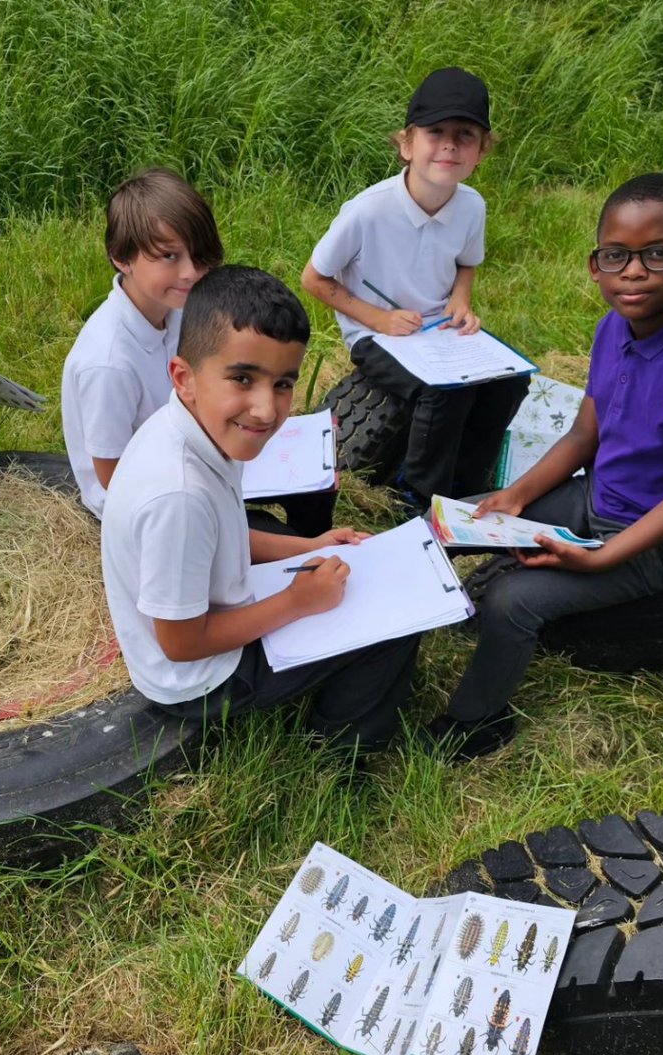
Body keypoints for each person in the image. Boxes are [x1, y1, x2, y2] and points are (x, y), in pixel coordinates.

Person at [430, 172, 663, 759]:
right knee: (452, 525)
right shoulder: (614, 326)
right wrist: (514, 496)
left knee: (513, 603)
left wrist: (599, 558)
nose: (633, 272)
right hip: (597, 496)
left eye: (658, 253)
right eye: (616, 256)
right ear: (594, 265)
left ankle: (476, 723)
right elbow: (585, 434)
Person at [101, 265, 421, 753]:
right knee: (394, 629)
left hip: (207, 623)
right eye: (243, 378)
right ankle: (338, 755)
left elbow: (226, 533)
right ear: (184, 377)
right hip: (200, 681)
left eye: (283, 384)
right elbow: (181, 643)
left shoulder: (192, 426)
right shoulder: (180, 498)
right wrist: (296, 602)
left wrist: (308, 545)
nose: (266, 410)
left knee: (281, 537)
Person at [302, 66, 528, 512]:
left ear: (482, 150)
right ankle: (419, 496)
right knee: (444, 391)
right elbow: (314, 278)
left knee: (507, 382)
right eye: (435, 131)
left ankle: (465, 486)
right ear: (406, 144)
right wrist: (378, 319)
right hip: (378, 337)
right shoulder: (366, 213)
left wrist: (461, 300)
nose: (449, 144)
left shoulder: (471, 206)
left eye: (465, 134)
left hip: (439, 331)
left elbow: (467, 264)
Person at [63, 168, 336, 534]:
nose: (191, 272)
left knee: (316, 488)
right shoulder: (108, 362)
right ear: (121, 257)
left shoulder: (175, 308)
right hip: (157, 499)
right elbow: (113, 477)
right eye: (169, 256)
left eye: (199, 255)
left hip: (200, 447)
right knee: (279, 536)